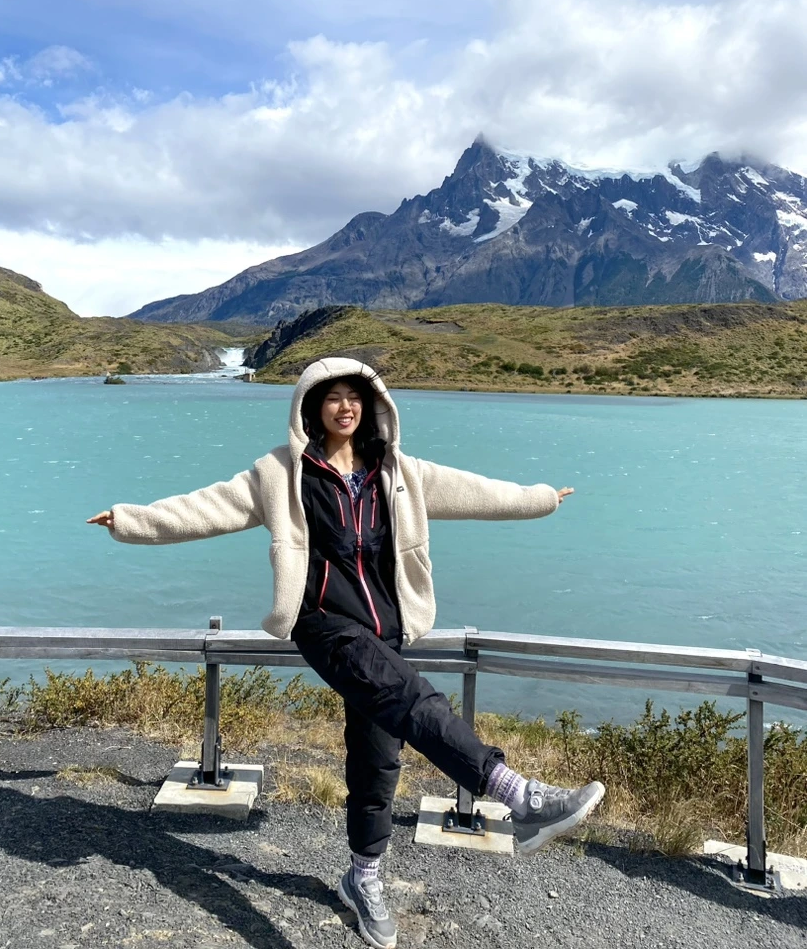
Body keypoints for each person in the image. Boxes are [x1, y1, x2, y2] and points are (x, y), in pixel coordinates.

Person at [88, 357, 604, 949]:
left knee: (377, 757)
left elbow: (477, 492)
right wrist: (130, 520)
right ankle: (520, 795)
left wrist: (541, 498)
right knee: (415, 700)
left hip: (385, 629)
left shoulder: (397, 471)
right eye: (332, 396)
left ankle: (363, 876)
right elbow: (207, 507)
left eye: (354, 396)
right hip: (325, 624)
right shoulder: (281, 473)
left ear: (371, 405)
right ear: (312, 407)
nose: (345, 406)